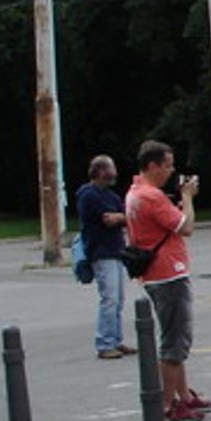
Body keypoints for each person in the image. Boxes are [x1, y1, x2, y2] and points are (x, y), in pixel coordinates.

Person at [124, 140, 208, 421]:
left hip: (153, 274)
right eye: (167, 165)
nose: (171, 171)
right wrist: (187, 197)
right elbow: (186, 227)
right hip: (168, 273)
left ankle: (183, 396)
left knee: (174, 336)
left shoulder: (134, 193)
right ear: (152, 165)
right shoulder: (151, 197)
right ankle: (167, 403)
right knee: (175, 340)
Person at [75, 154, 135, 359]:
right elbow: (109, 219)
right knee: (109, 298)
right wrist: (120, 217)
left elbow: (125, 217)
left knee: (118, 299)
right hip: (101, 252)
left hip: (116, 251)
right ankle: (105, 343)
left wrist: (120, 217)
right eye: (111, 169)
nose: (115, 173)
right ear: (100, 171)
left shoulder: (111, 196)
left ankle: (116, 340)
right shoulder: (88, 194)